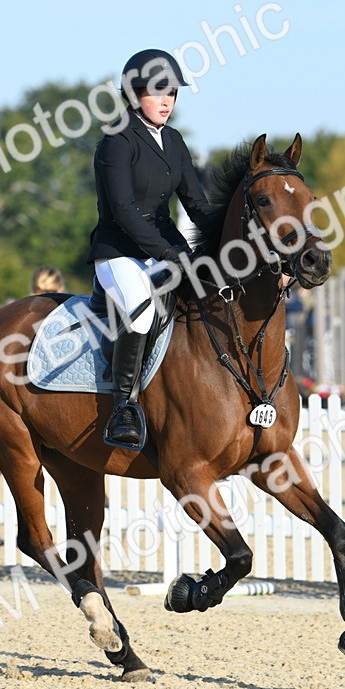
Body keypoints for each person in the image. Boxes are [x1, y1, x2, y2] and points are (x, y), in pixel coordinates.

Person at [87, 48, 215, 449]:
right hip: (119, 253)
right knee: (141, 312)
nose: (166, 101)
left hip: (163, 249)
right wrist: (168, 253)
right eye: (157, 92)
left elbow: (196, 203)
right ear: (132, 93)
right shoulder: (117, 142)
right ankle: (123, 407)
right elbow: (124, 212)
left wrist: (231, 236)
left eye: (172, 93)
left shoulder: (174, 141)